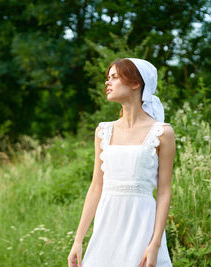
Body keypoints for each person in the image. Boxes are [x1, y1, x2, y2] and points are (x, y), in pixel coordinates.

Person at [67, 58, 175, 267]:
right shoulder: (103, 131)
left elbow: (164, 192)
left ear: (136, 83)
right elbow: (96, 187)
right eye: (108, 78)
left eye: (115, 77)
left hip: (142, 228)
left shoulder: (163, 133)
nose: (108, 83)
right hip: (107, 229)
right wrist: (78, 241)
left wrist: (155, 244)